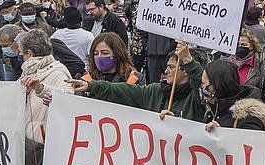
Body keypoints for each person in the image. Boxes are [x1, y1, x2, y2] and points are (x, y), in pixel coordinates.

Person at [13, 29, 77, 165]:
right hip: (32, 141)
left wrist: (41, 88)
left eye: (20, 52)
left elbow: (67, 95)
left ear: (29, 53)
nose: (18, 55)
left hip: (46, 144)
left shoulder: (56, 71)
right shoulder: (30, 71)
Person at [74, 41, 205, 121]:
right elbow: (122, 90)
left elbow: (201, 85)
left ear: (186, 70)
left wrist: (188, 60)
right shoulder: (155, 91)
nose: (165, 71)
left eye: (171, 67)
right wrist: (92, 86)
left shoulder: (198, 99)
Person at [199, 60, 243, 128]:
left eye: (204, 84)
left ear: (218, 85)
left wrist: (222, 134)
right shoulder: (211, 111)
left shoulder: (246, 117)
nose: (202, 87)